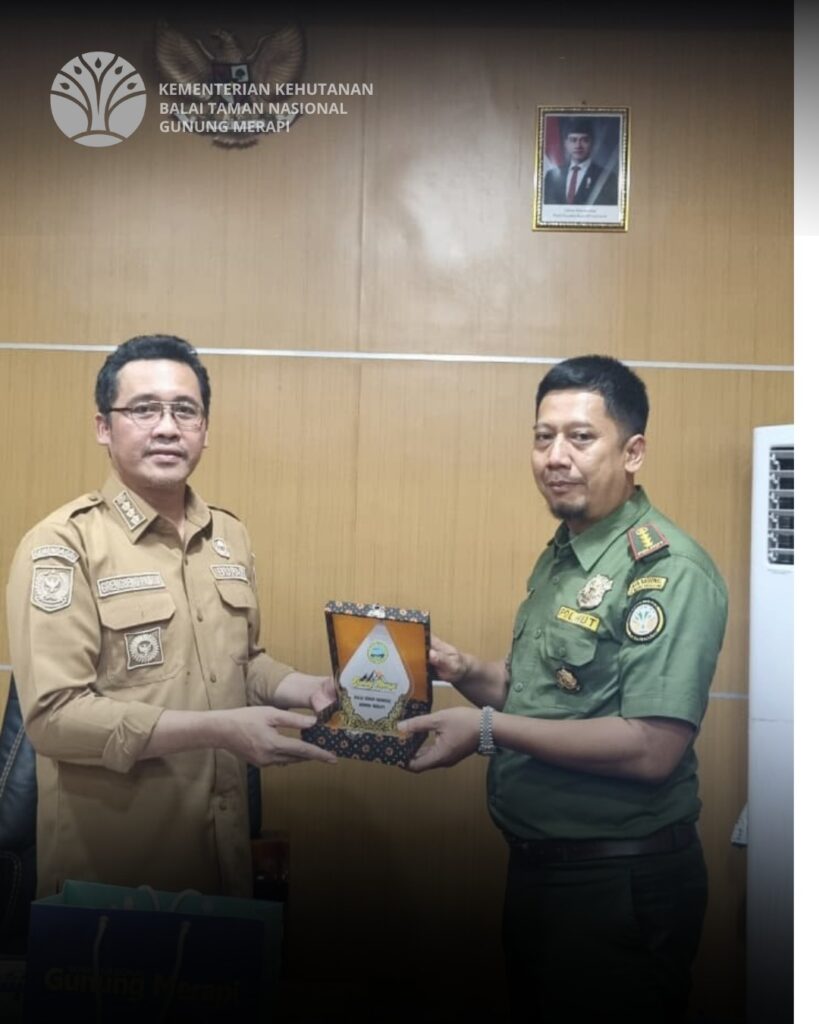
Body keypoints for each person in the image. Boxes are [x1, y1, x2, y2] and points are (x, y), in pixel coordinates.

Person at [400, 355, 728, 1023]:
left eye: (580, 438)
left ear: (632, 452)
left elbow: (651, 747)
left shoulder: (667, 570)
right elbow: (543, 694)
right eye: (542, 437)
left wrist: (484, 731)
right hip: (543, 871)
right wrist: (465, 671)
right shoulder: (568, 551)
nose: (555, 457)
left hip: (617, 884)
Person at [6, 334, 337, 899]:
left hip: (223, 863)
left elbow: (241, 663)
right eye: (144, 409)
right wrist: (219, 729)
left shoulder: (228, 535)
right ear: (104, 427)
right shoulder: (62, 545)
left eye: (185, 410)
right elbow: (54, 719)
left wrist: (309, 689)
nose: (167, 427)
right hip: (113, 881)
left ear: (205, 429)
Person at [543, 117, 619, 207]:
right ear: (565, 144)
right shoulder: (550, 177)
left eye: (584, 140)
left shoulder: (606, 178)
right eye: (573, 140)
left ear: (592, 143)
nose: (578, 145)